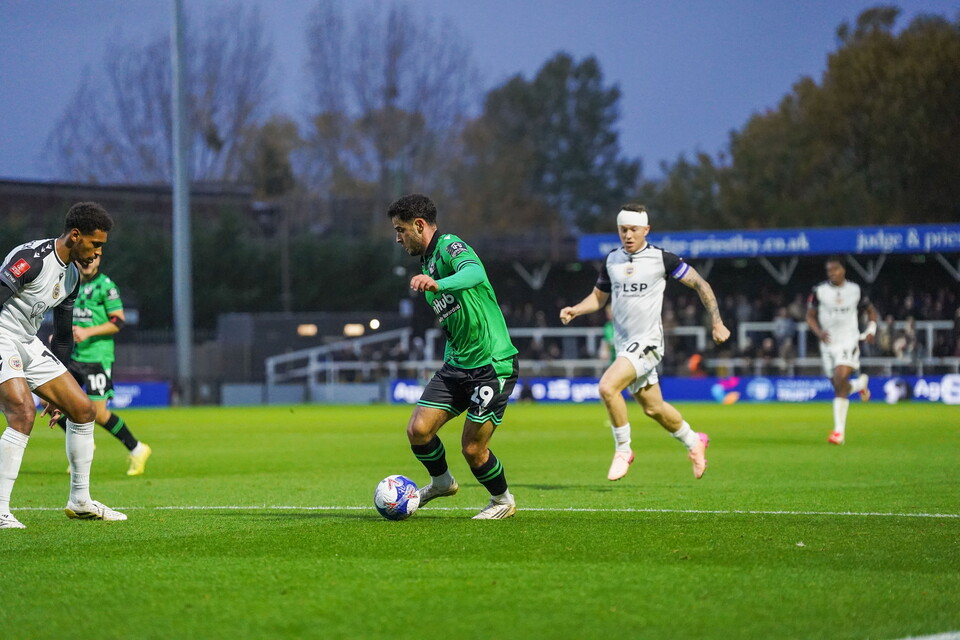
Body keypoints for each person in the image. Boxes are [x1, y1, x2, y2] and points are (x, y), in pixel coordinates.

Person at [560, 204, 730, 481]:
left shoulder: (662, 259)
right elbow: (599, 298)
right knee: (653, 408)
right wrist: (576, 309)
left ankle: (623, 450)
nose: (628, 235)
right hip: (625, 345)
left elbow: (701, 284)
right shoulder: (612, 260)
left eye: (633, 230)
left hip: (648, 343)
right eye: (623, 230)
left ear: (646, 230)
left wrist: (717, 322)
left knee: (607, 387)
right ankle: (694, 440)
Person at [388, 194, 519, 520]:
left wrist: (438, 283)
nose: (398, 238)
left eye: (401, 230)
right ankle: (442, 482)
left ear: (419, 225)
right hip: (458, 365)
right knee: (418, 430)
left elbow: (474, 273)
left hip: (491, 364)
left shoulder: (449, 246)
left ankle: (502, 500)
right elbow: (454, 320)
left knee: (473, 449)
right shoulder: (426, 263)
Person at [0, 202, 127, 529]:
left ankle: (80, 501)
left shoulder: (72, 277)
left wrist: (58, 393)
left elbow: (63, 337)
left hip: (27, 340)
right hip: (1, 334)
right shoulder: (33, 259)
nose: (97, 253)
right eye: (95, 244)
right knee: (22, 412)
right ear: (75, 235)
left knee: (83, 409)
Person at [55, 254, 151, 475]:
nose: (89, 262)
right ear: (76, 259)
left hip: (97, 358)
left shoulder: (106, 286)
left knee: (99, 414)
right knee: (51, 401)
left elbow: (118, 320)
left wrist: (88, 332)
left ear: (99, 260)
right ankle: (83, 446)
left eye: (95, 257)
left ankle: (137, 449)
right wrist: (60, 337)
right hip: (73, 356)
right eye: (85, 258)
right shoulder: (69, 283)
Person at [806, 255, 878, 445]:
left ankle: (839, 432)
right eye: (829, 270)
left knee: (839, 379)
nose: (832, 273)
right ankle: (860, 385)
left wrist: (871, 329)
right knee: (839, 385)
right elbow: (810, 317)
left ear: (843, 270)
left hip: (849, 340)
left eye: (835, 269)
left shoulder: (855, 290)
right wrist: (819, 332)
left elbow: (871, 311)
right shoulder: (819, 291)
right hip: (828, 344)